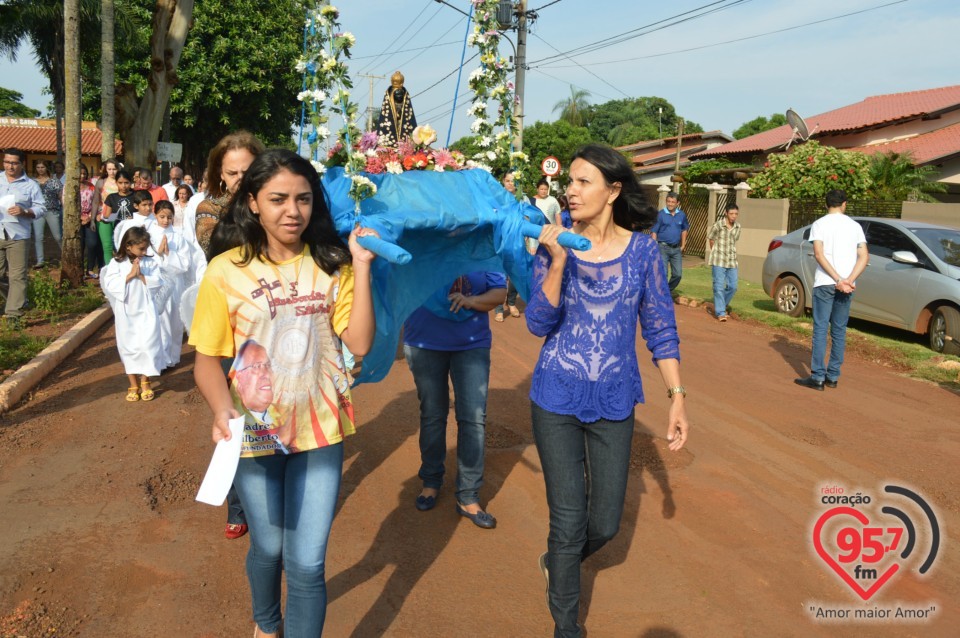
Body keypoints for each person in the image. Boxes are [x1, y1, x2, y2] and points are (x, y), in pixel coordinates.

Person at [190, 149, 377, 637]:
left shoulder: (332, 265)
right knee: (269, 548)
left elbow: (358, 343)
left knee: (308, 563)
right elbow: (207, 359)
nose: (292, 211)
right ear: (252, 202)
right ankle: (267, 622)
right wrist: (221, 409)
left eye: (303, 199)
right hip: (254, 435)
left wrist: (362, 266)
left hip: (322, 428)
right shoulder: (225, 272)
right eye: (277, 199)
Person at [526, 143, 689, 637]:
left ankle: (558, 561)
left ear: (613, 190)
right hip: (555, 393)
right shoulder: (553, 244)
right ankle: (567, 625)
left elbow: (660, 327)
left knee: (605, 525)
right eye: (569, 182)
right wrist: (556, 261)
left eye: (582, 182)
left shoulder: (643, 252)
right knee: (569, 519)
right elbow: (537, 322)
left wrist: (677, 396)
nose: (570, 191)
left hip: (615, 398)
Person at [404, 271, 506, 529]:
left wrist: (471, 301)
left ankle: (468, 495)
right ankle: (431, 481)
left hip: (471, 344)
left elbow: (499, 292)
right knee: (432, 414)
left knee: (473, 419)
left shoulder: (482, 242)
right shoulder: (420, 238)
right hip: (424, 341)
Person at [794, 189, 869, 391]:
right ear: (844, 204)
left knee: (820, 329)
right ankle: (833, 376)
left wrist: (837, 278)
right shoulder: (855, 227)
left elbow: (818, 254)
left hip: (825, 282)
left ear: (826, 204)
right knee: (839, 330)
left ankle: (817, 377)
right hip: (847, 285)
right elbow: (864, 256)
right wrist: (848, 280)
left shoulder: (819, 224)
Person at [100, 226, 167, 402]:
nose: (144, 252)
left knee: (148, 344)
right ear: (128, 246)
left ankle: (145, 381)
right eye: (141, 249)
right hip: (127, 311)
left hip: (146, 310)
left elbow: (158, 281)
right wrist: (129, 276)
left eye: (146, 248)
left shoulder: (150, 262)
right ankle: (133, 383)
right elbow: (110, 283)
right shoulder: (117, 263)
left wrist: (142, 276)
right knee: (129, 346)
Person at [190, 131, 265, 255]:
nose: (241, 178)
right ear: (221, 174)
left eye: (247, 171)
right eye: (232, 173)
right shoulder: (210, 207)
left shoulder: (271, 202)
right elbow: (213, 245)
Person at [1, 148, 45, 324]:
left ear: (22, 163)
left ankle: (13, 314)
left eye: (13, 163)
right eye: (6, 162)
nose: (9, 166)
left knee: (17, 276)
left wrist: (25, 211)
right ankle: (17, 299)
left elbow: (41, 208)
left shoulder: (31, 185)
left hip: (18, 235)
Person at [153, 201, 190, 369]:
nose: (166, 220)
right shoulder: (149, 235)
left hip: (174, 283)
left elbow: (185, 263)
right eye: (162, 216)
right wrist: (158, 254)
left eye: (169, 217)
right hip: (158, 284)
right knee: (160, 321)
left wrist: (169, 253)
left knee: (174, 321)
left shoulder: (179, 237)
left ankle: (172, 357)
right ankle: (160, 358)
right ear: (155, 216)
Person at [494, 170, 522, 322]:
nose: (511, 183)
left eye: (514, 181)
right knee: (500, 275)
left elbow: (527, 220)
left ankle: (511, 302)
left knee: (516, 274)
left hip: (517, 241)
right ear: (503, 182)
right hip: (500, 240)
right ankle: (499, 308)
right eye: (508, 181)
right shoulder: (496, 199)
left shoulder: (522, 199)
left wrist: (531, 243)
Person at [707, 203, 741, 322]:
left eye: (736, 214)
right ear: (726, 213)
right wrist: (716, 253)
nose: (734, 216)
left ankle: (720, 305)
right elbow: (711, 239)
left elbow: (734, 241)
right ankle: (721, 312)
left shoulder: (738, 227)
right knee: (718, 286)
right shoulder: (718, 225)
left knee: (733, 286)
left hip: (732, 261)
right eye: (731, 213)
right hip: (718, 260)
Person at [650, 191, 689, 292]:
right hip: (662, 247)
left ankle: (666, 291)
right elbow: (654, 232)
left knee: (678, 274)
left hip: (676, 249)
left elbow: (684, 229)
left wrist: (683, 245)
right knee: (663, 273)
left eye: (673, 202)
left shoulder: (682, 215)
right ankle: (662, 294)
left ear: (678, 203)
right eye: (668, 201)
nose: (670, 204)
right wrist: (654, 247)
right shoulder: (661, 215)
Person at [99, 169, 137, 265]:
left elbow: (141, 212)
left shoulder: (136, 196)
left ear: (131, 182)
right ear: (116, 183)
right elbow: (108, 216)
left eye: (126, 183)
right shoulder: (112, 197)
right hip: (117, 231)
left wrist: (133, 218)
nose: (123, 186)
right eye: (120, 183)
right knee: (119, 254)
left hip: (133, 231)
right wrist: (104, 217)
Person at [32, 160, 63, 268]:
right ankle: (40, 261)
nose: (40, 169)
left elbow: (61, 196)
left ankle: (66, 256)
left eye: (42, 167)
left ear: (47, 168)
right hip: (37, 211)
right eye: (38, 167)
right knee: (38, 237)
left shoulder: (54, 181)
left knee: (58, 236)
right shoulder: (33, 182)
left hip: (52, 211)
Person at [375, 70, 417, 146]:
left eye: (401, 95)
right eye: (397, 94)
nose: (399, 96)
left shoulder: (404, 104)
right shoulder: (390, 104)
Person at [78, 165, 102, 278]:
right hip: (75, 219)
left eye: (84, 173)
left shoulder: (91, 186)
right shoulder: (69, 187)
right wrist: (79, 217)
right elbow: (65, 202)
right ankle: (80, 270)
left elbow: (96, 202)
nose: (82, 176)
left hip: (90, 218)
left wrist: (89, 216)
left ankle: (90, 268)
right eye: (80, 173)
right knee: (79, 245)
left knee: (92, 243)